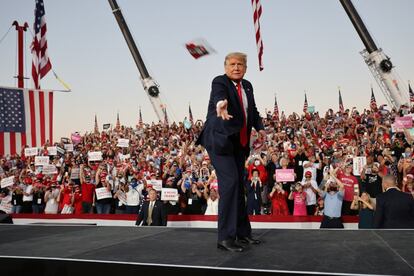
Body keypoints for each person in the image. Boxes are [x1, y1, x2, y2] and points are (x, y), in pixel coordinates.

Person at [196, 52, 264, 252]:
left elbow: (253, 111)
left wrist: (259, 127)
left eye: (240, 64)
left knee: (239, 186)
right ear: (225, 67)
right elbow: (220, 98)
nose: (236, 67)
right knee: (230, 183)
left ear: (245, 68)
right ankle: (225, 238)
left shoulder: (248, 86)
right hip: (220, 141)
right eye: (232, 64)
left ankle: (243, 234)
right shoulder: (220, 82)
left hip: (239, 143)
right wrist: (221, 105)